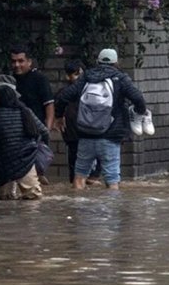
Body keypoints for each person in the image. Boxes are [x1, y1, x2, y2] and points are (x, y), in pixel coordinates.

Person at [54, 48, 147, 190]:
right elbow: (138, 98)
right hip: (110, 136)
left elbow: (63, 97)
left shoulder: (86, 77)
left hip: (85, 136)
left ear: (97, 62)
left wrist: (59, 116)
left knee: (79, 176)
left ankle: (76, 208)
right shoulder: (120, 78)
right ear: (116, 63)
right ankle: (111, 210)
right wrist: (139, 114)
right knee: (112, 180)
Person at [0, 85, 49, 200]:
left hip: (2, 164)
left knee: (4, 200)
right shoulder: (26, 112)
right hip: (26, 161)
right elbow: (44, 132)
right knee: (33, 197)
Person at [10, 44, 54, 184]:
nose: (17, 65)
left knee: (35, 168)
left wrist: (47, 129)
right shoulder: (10, 81)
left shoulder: (39, 79)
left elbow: (49, 105)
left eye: (21, 61)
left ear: (29, 61)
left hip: (36, 132)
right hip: (14, 132)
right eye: (14, 61)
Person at [56, 59, 102, 184]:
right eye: (71, 74)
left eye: (77, 74)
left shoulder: (92, 90)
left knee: (92, 174)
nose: (73, 78)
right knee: (75, 171)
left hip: (89, 136)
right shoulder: (65, 93)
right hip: (73, 137)